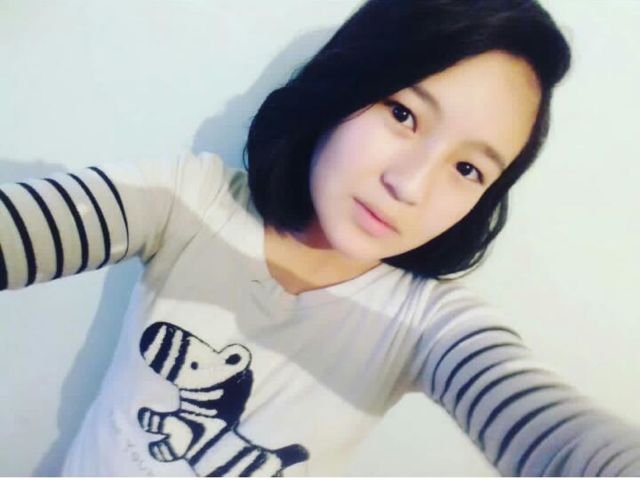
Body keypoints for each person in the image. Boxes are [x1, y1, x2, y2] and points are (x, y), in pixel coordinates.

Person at [1, 0, 639, 476]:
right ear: (350, 81)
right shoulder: (189, 202)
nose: (409, 185)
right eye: (403, 113)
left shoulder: (427, 326)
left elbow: (560, 438)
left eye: (468, 169)